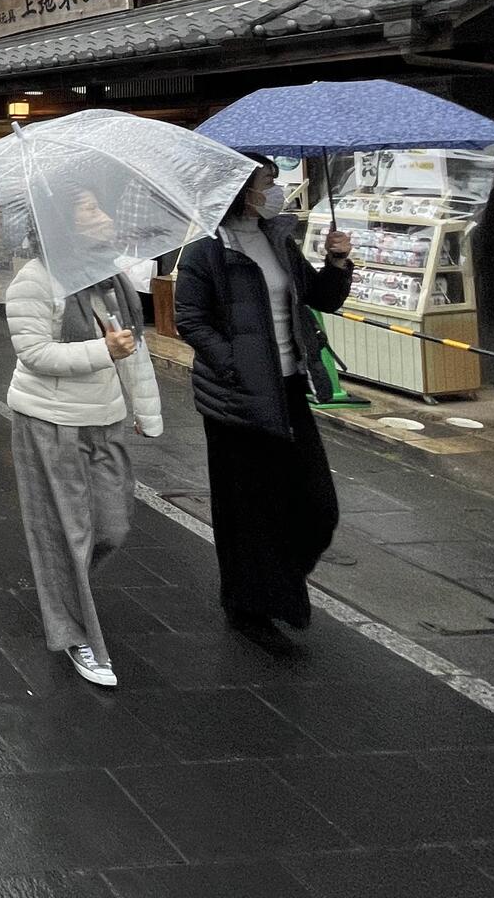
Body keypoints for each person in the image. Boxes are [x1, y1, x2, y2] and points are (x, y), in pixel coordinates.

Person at [172, 157, 354, 631]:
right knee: (247, 507)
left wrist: (336, 261)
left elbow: (322, 298)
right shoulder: (205, 250)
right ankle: (249, 603)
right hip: (235, 397)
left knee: (317, 504)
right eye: (267, 183)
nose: (276, 191)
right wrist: (236, 365)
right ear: (240, 189)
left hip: (289, 387)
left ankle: (277, 584)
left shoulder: (279, 240)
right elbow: (190, 321)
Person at [4, 188, 164, 690]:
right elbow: (35, 354)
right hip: (51, 423)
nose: (105, 216)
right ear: (62, 223)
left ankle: (63, 586)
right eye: (92, 209)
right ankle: (77, 635)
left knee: (111, 527)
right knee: (66, 534)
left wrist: (147, 412)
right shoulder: (34, 281)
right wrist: (102, 350)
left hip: (106, 418)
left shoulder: (110, 278)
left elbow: (133, 352)